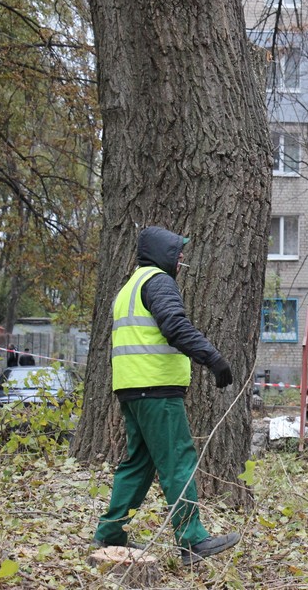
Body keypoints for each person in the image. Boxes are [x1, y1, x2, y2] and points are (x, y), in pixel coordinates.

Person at [92, 225, 239, 566]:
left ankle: (110, 533)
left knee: (139, 463)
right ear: (162, 253)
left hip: (132, 388)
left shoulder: (129, 286)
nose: (182, 256)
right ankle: (192, 541)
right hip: (156, 388)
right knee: (178, 460)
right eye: (177, 250)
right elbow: (174, 325)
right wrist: (213, 359)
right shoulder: (158, 281)